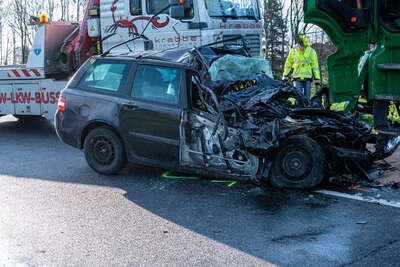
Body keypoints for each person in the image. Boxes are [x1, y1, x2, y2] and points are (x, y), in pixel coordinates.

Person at [282, 34, 321, 100]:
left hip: (307, 78)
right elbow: (288, 64)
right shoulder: (293, 51)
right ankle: (298, 108)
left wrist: (317, 78)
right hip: (296, 78)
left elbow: (315, 66)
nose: (301, 47)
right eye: (299, 45)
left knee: (307, 98)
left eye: (302, 46)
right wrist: (285, 75)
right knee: (298, 97)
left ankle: (307, 109)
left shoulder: (312, 52)